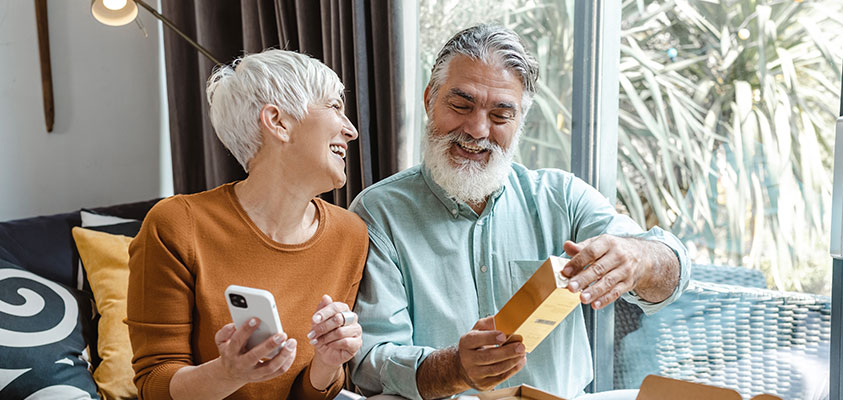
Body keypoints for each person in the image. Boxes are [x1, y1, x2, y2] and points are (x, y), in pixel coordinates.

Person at [348, 25, 690, 399]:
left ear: (520, 122)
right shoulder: (379, 213)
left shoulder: (563, 197)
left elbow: (672, 273)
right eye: (461, 105)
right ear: (430, 99)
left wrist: (640, 259)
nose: (477, 130)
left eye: (500, 115)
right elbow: (370, 361)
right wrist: (454, 369)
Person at [127, 49, 368, 400]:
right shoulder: (176, 225)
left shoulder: (350, 234)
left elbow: (308, 394)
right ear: (279, 122)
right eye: (334, 106)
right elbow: (155, 385)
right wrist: (227, 374)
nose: (351, 131)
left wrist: (327, 364)